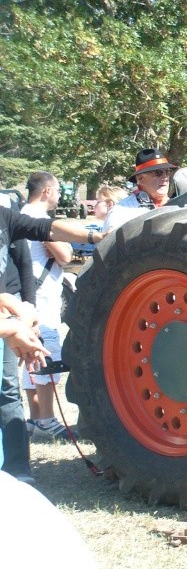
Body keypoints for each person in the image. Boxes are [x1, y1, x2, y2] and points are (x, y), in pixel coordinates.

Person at [19, 172, 75, 441]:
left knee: (29, 356)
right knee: (47, 354)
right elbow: (64, 255)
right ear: (46, 192)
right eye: (55, 191)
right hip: (43, 298)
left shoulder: (18, 216)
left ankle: (34, 416)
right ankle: (47, 418)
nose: (57, 196)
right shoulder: (40, 220)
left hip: (24, 296)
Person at [0, 195, 36, 483]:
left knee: (8, 387)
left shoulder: (7, 217)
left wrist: (28, 307)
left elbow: (25, 265)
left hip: (13, 314)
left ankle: (18, 467)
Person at [104, 148, 177, 232]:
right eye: (158, 173)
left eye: (167, 172)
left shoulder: (179, 205)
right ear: (141, 178)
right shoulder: (122, 211)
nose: (165, 178)